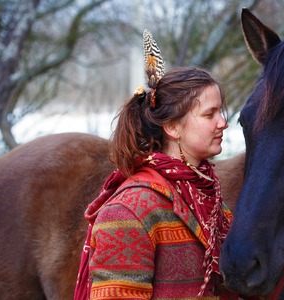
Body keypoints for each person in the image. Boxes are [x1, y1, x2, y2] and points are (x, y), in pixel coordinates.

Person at [74, 29, 237, 299]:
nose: (223, 122)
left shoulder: (209, 197)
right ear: (173, 127)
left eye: (221, 111)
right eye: (210, 114)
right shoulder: (128, 211)